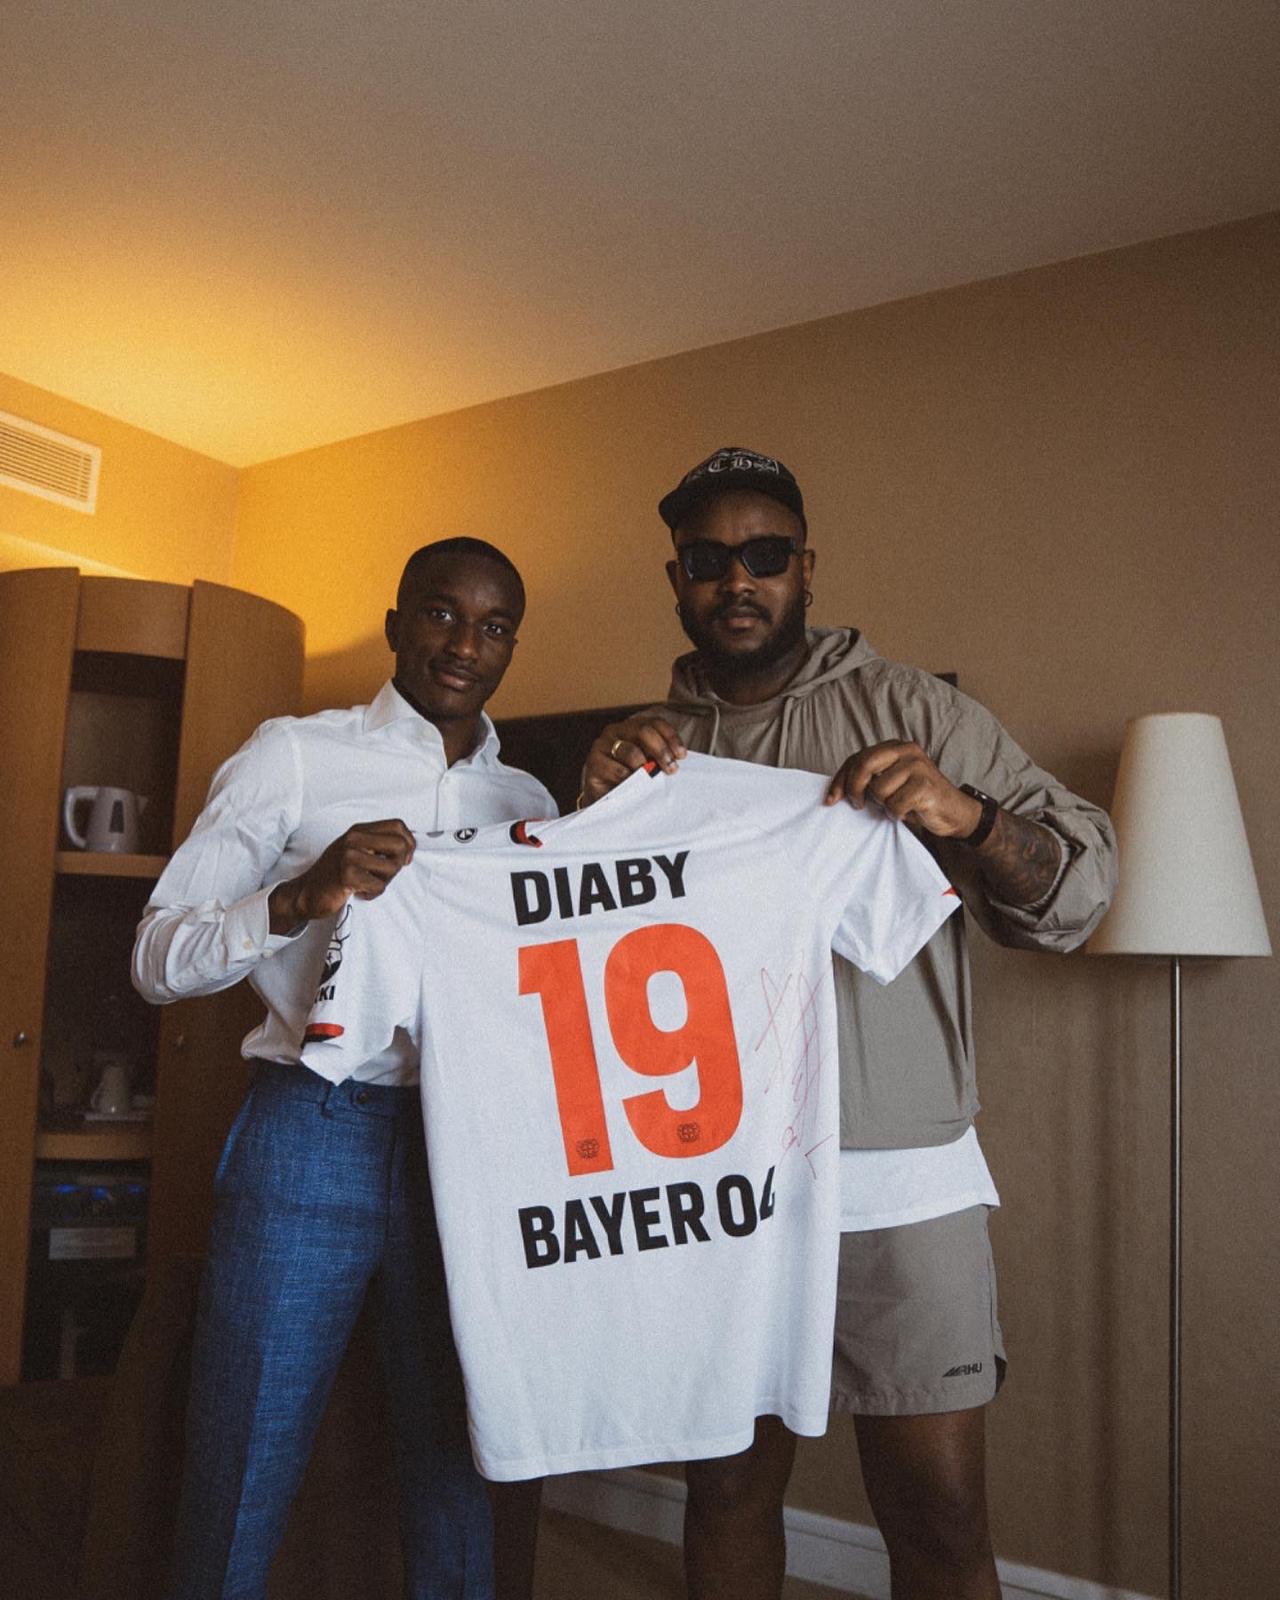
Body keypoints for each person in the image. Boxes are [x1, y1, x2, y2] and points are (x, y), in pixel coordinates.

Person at [578, 447, 1117, 1600]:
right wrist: (594, 812)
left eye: (763, 554)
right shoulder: (646, 749)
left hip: (897, 1174)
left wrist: (963, 815)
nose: (736, 579)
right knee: (725, 1487)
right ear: (674, 578)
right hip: (717, 1173)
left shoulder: (910, 709)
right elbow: (591, 970)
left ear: (805, 566)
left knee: (936, 1507)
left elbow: (1079, 890)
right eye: (707, 559)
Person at [132, 537, 555, 1600]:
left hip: (468, 1146)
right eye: (442, 614)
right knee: (244, 1445)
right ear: (397, 622)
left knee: (460, 1456)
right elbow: (153, 959)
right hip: (309, 1133)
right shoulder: (293, 756)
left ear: (512, 645)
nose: (465, 644)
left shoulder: (530, 804)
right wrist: (296, 897)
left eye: (494, 625)